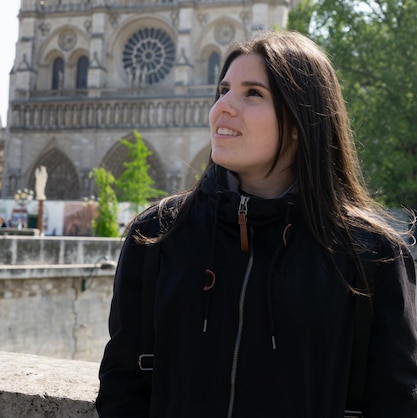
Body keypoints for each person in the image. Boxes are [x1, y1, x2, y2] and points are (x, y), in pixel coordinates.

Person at [96, 30, 417, 418]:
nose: (222, 107)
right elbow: (122, 385)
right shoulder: (156, 235)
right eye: (223, 89)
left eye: (253, 93)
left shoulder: (373, 256)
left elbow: (396, 402)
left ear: (301, 120)